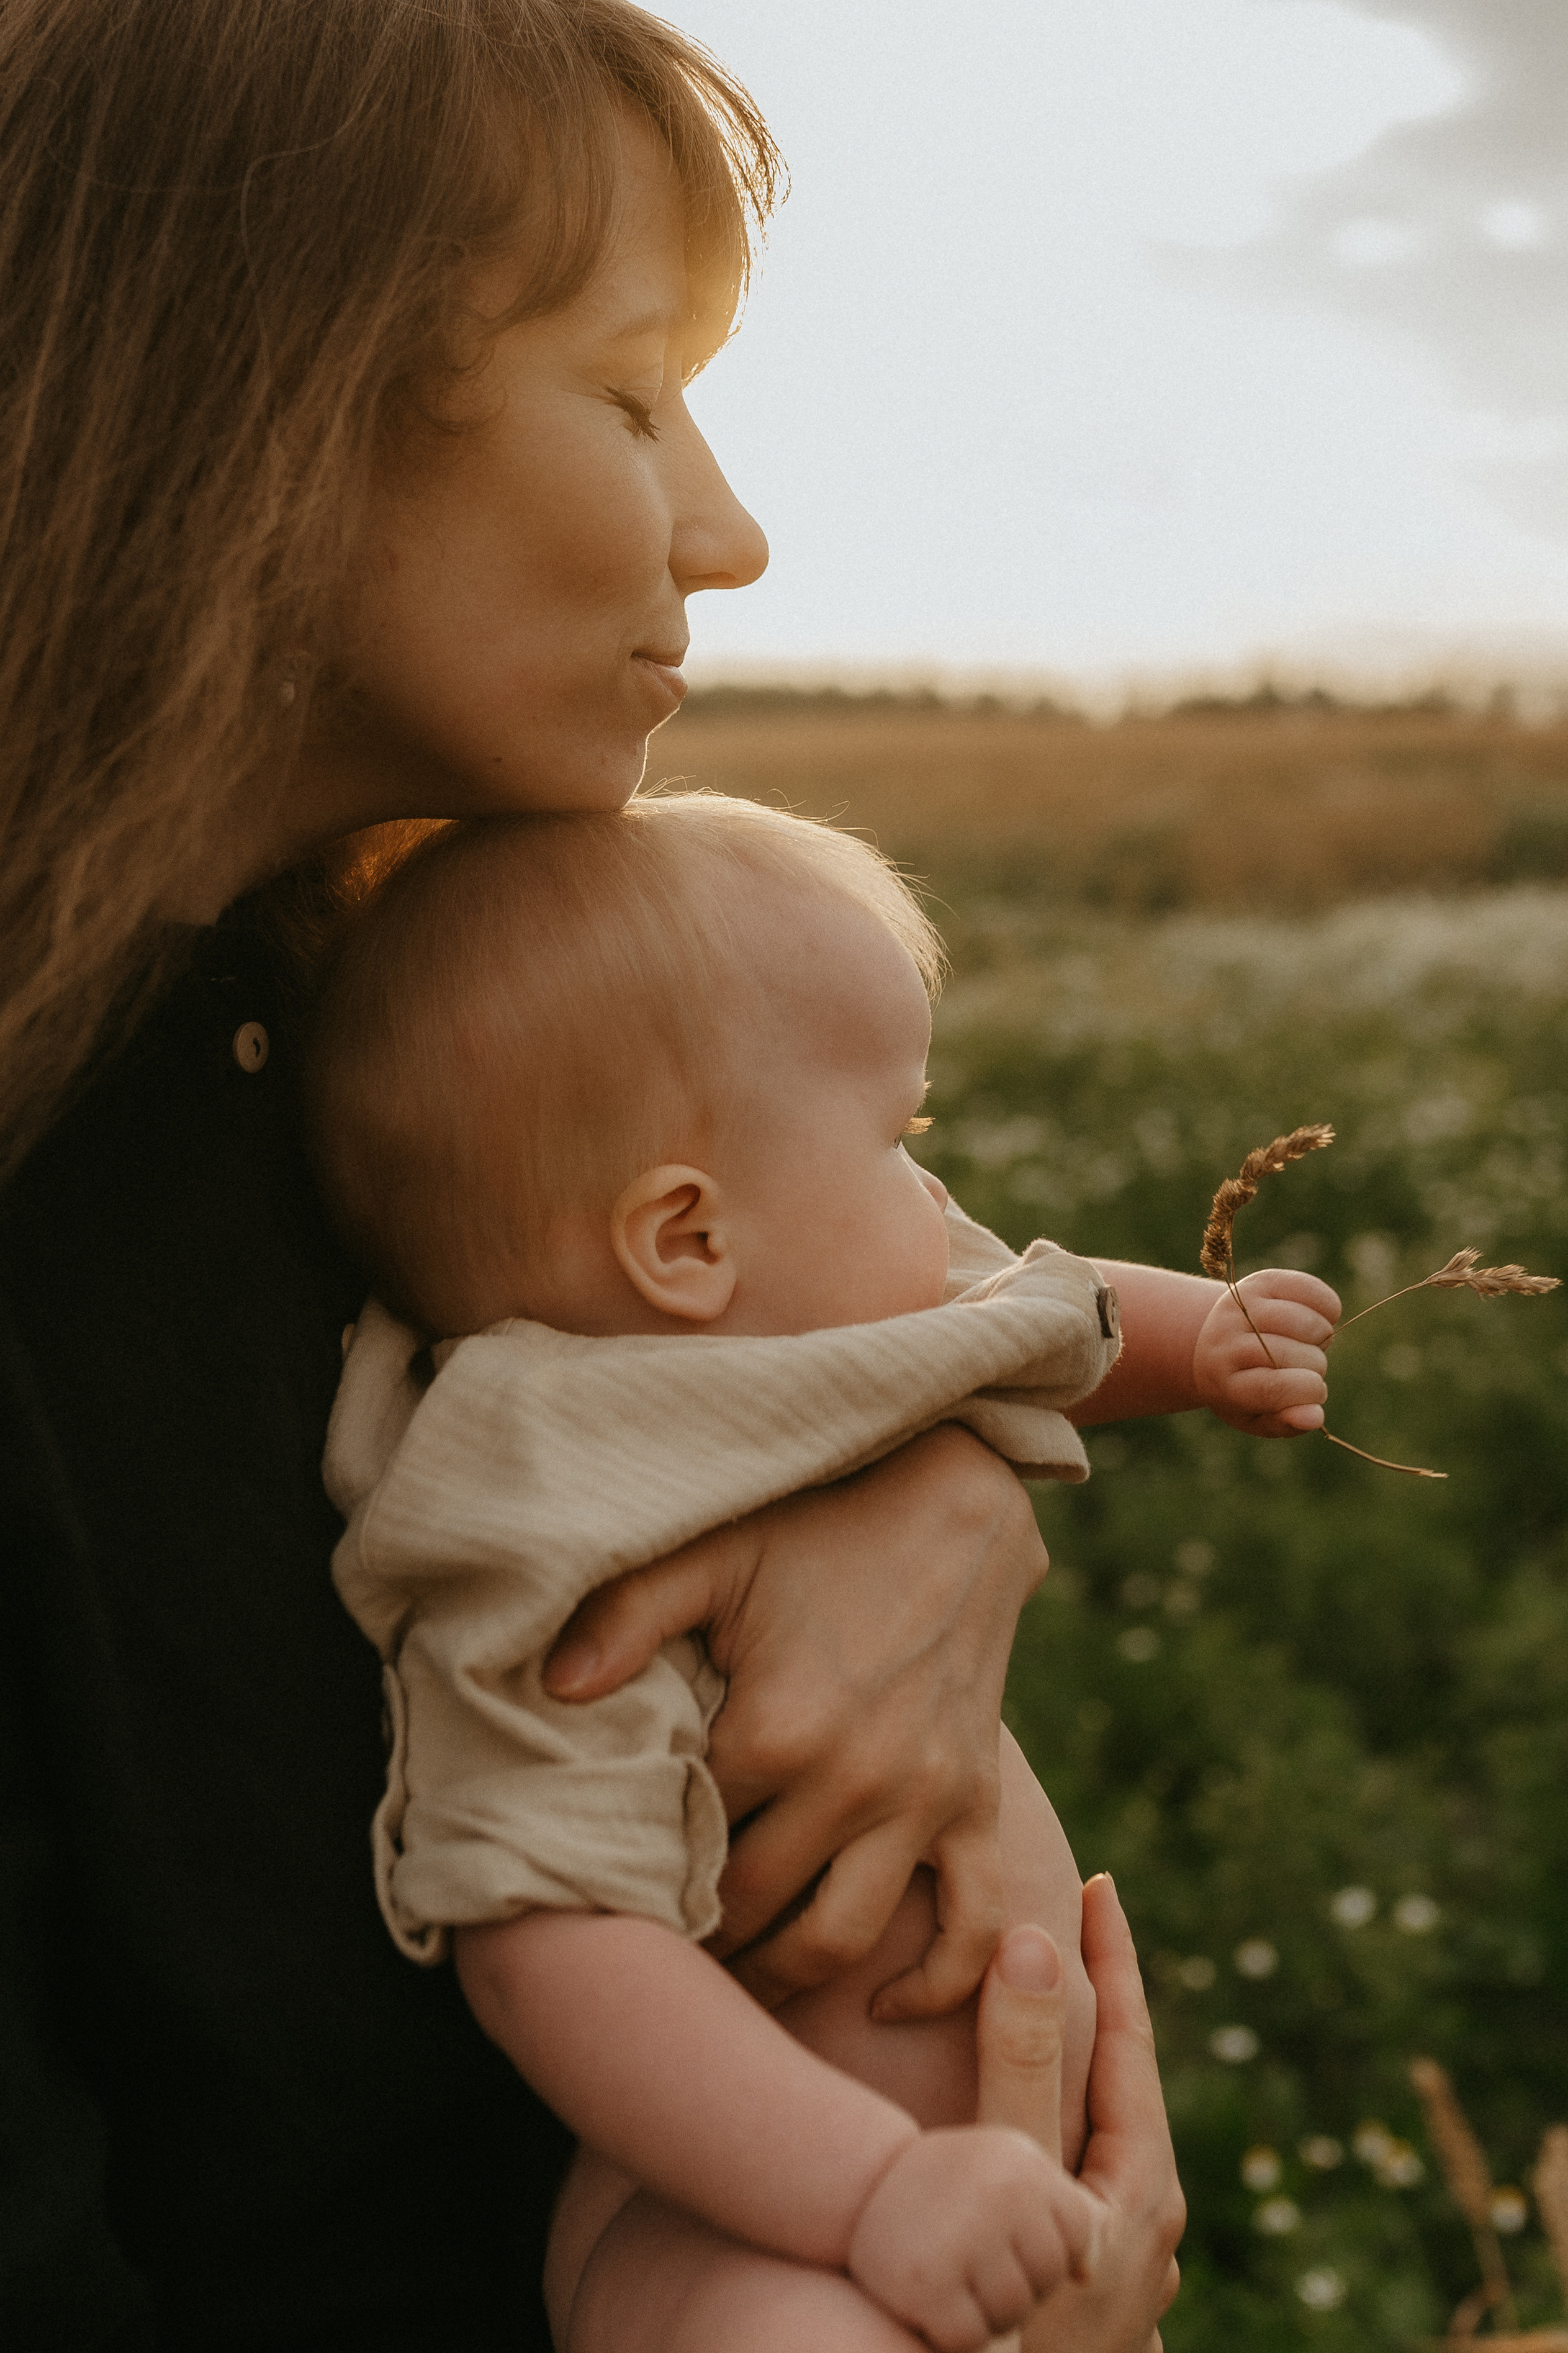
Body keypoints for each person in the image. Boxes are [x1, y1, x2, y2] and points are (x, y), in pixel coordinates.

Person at [0, 2, 1206, 2345]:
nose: (728, 535)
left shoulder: (363, 1070)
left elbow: (745, 1323)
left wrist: (912, 1469)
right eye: (633, 391)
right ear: (264, 395)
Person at [300, 792, 1340, 2351]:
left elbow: (1032, 1305)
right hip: (748, 2226)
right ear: (686, 1239)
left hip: (1000, 2206)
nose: (941, 1199)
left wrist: (1208, 1339)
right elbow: (546, 1943)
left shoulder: (826, 1315)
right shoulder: (559, 1527)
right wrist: (871, 2190)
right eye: (903, 1142)